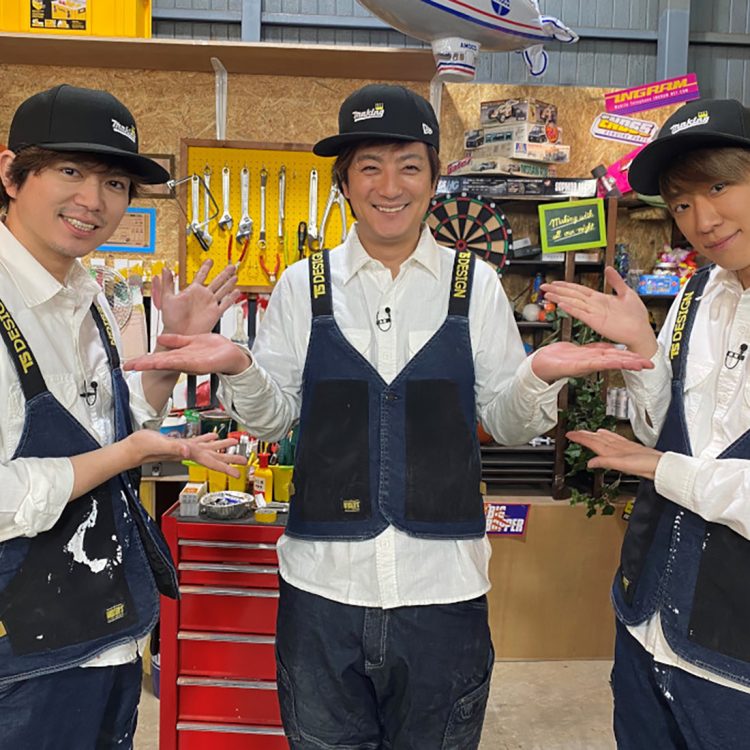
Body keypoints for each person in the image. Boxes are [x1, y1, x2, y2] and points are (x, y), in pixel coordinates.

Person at [126, 83, 652, 749]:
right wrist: (240, 367)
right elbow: (272, 420)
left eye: (408, 165)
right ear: (345, 183)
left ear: (433, 179)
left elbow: (508, 423)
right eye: (369, 167)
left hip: (444, 595)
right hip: (322, 594)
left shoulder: (475, 286)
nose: (389, 186)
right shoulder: (302, 286)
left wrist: (535, 375)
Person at [0, 84, 245, 749]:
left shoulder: (90, 299)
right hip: (20, 667)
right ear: (12, 174)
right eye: (70, 171)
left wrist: (169, 355)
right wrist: (128, 456)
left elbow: (109, 424)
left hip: (106, 640)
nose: (94, 200)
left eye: (113, 182)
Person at [541, 97, 750, 749]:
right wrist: (643, 350)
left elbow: (672, 461)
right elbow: (670, 427)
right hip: (647, 629)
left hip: (734, 662)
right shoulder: (697, 293)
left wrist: (665, 470)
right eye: (681, 203)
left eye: (719, 188)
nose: (703, 220)